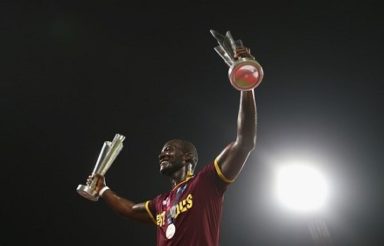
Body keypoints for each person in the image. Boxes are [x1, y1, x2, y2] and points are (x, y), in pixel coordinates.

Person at [88, 36, 257, 246]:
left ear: (187, 157)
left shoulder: (206, 182)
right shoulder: (161, 203)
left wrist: (246, 83)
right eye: (162, 151)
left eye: (169, 150)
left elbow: (245, 142)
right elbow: (129, 209)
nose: (162, 154)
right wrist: (103, 189)